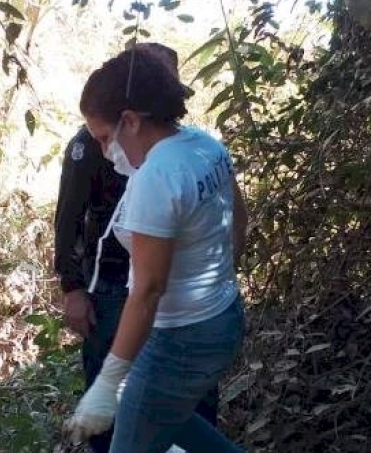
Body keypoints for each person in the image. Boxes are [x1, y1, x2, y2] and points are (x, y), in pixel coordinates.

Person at [63, 46, 249, 452]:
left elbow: (147, 290)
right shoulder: (204, 145)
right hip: (224, 318)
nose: (104, 151)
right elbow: (238, 220)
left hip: (180, 339)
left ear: (130, 120)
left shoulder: (157, 176)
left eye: (105, 138)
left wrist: (108, 381)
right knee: (170, 418)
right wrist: (214, 283)